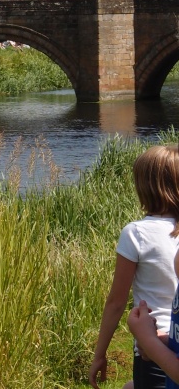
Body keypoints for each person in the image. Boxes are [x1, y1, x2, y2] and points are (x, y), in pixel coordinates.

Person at [89, 144, 179, 389]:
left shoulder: (136, 233)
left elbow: (116, 302)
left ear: (145, 187)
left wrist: (99, 355)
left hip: (153, 345)